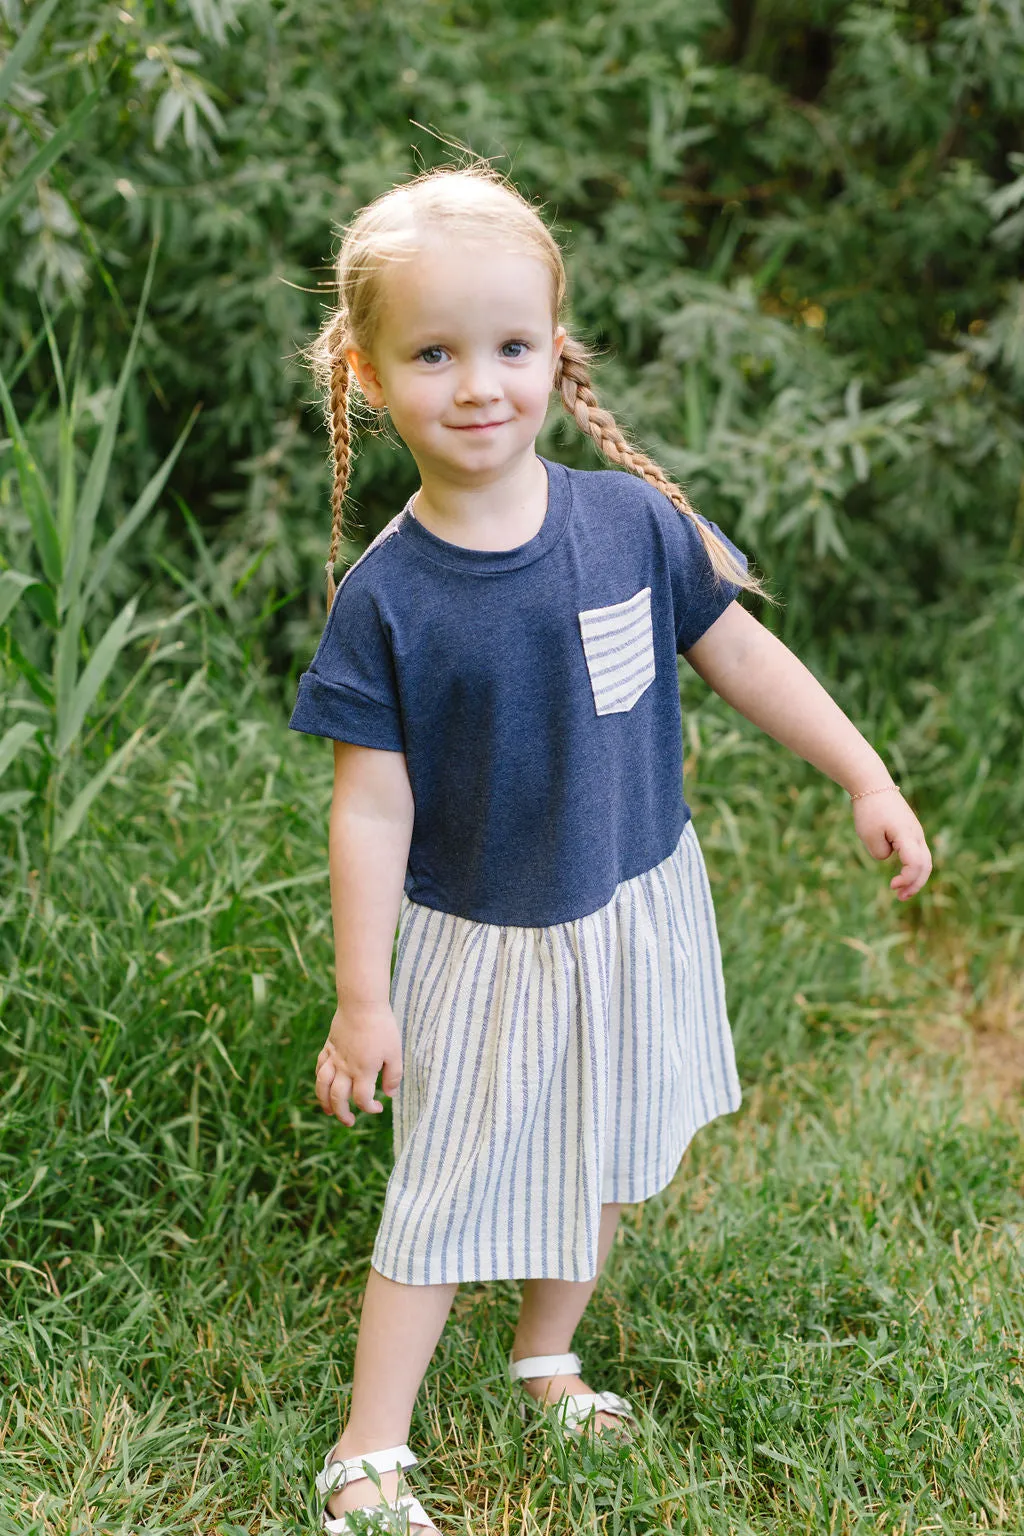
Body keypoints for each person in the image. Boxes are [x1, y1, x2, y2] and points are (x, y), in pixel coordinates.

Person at [288, 163, 933, 1535]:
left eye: (512, 347)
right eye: (435, 353)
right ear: (364, 374)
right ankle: (366, 1449)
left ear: (555, 354)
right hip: (485, 936)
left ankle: (545, 1353)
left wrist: (865, 771)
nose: (479, 385)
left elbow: (743, 654)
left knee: (605, 1141)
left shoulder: (629, 526)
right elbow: (370, 808)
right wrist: (363, 997)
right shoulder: (388, 599)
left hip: (633, 901)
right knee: (450, 1184)